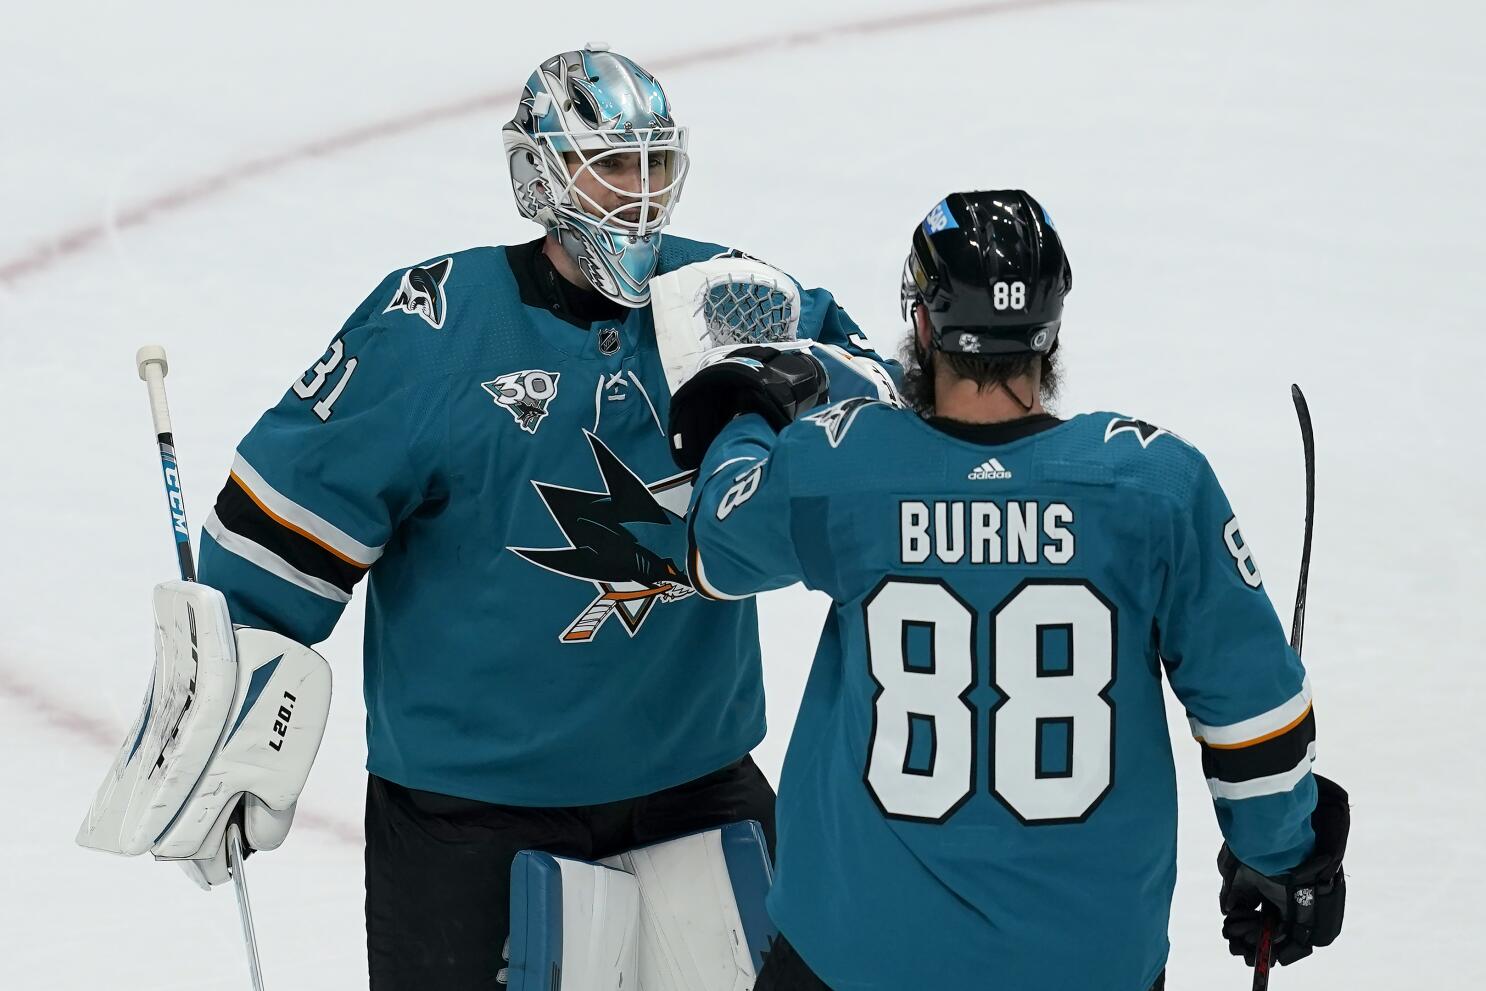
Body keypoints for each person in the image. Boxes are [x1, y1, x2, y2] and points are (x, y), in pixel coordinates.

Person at [193, 47, 895, 988]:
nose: (638, 193)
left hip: (697, 789)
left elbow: (888, 418)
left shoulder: (729, 299)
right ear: (540, 173)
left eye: (653, 162)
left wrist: (798, 378)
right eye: (611, 164)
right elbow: (268, 547)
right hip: (473, 816)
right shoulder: (434, 327)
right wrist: (227, 719)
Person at [670, 190, 1348, 990]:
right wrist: (1283, 856)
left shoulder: (842, 466)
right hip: (1087, 964)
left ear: (924, 324)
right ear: (1048, 331)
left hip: (858, 957)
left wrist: (755, 408)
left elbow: (715, 547)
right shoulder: (1154, 483)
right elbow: (1251, 716)